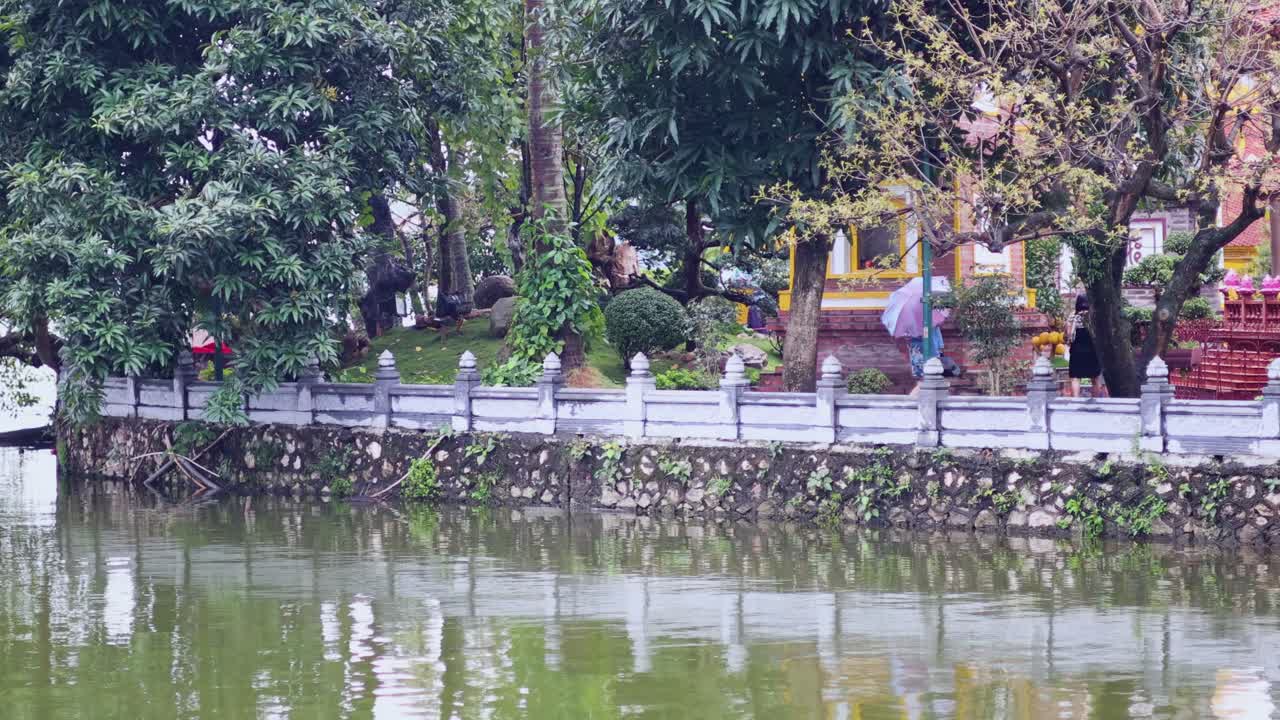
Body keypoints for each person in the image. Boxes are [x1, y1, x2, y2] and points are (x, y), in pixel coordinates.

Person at [1067, 294, 1104, 397]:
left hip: (1077, 350)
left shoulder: (1072, 316)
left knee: (1075, 377)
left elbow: (1069, 335)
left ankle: (1075, 401)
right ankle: (1097, 401)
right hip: (1092, 350)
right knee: (1095, 378)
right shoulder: (1094, 316)